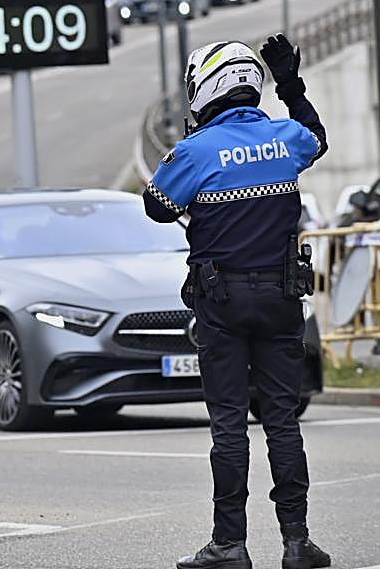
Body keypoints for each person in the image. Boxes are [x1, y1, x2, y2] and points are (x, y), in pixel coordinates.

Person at [142, 36, 331, 569]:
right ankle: (297, 542)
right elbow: (317, 138)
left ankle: (229, 544)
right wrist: (290, 85)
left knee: (229, 425)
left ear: (206, 87)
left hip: (220, 301)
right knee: (282, 422)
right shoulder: (285, 138)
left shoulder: (197, 152)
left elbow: (157, 205)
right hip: (281, 297)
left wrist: (191, 147)